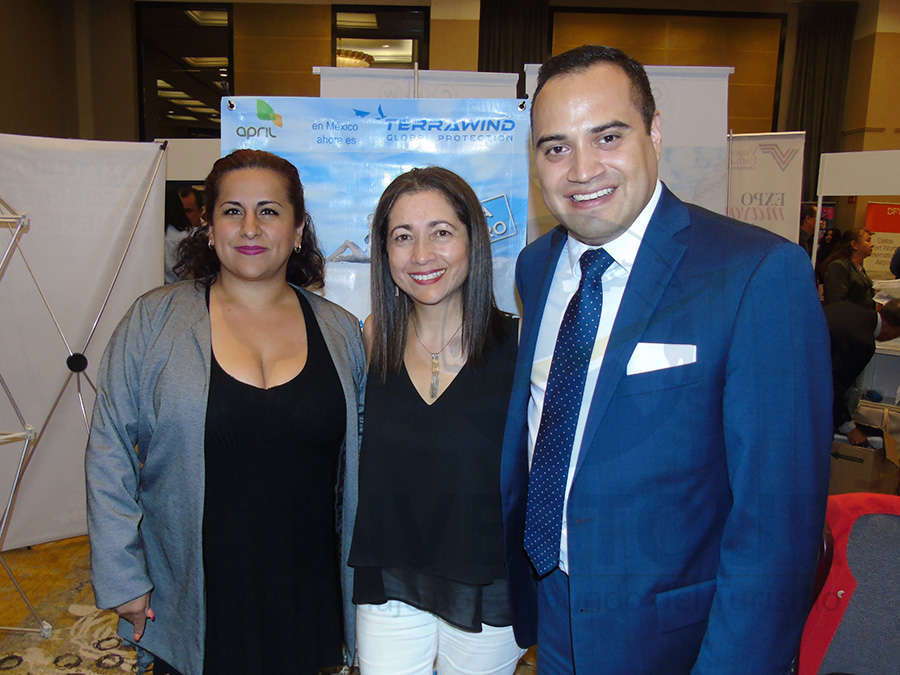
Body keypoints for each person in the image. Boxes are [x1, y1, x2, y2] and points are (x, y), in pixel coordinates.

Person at [500, 45, 832, 673]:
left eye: (607, 136)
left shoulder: (756, 273)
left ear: (654, 133)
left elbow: (778, 527)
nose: (581, 169)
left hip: (681, 640)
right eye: (556, 147)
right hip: (554, 612)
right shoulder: (538, 266)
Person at [85, 149, 365, 675]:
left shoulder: (342, 331)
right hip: (193, 592)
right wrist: (123, 575)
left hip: (308, 595)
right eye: (232, 211)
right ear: (208, 228)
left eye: (270, 210)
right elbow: (109, 454)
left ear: (299, 229)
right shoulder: (154, 322)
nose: (250, 227)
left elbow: (366, 468)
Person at [348, 167, 525, 674]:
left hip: (486, 584)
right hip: (389, 582)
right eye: (403, 237)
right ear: (385, 252)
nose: (421, 255)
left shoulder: (520, 344)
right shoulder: (370, 337)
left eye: (441, 232)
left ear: (474, 240)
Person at [824, 299, 900, 445]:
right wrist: (848, 428)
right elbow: (831, 385)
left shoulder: (846, 306)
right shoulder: (863, 342)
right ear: (894, 329)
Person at [822, 227, 875, 308]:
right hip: (847, 318)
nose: (872, 245)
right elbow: (836, 301)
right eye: (868, 241)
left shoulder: (859, 268)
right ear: (854, 245)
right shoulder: (838, 266)